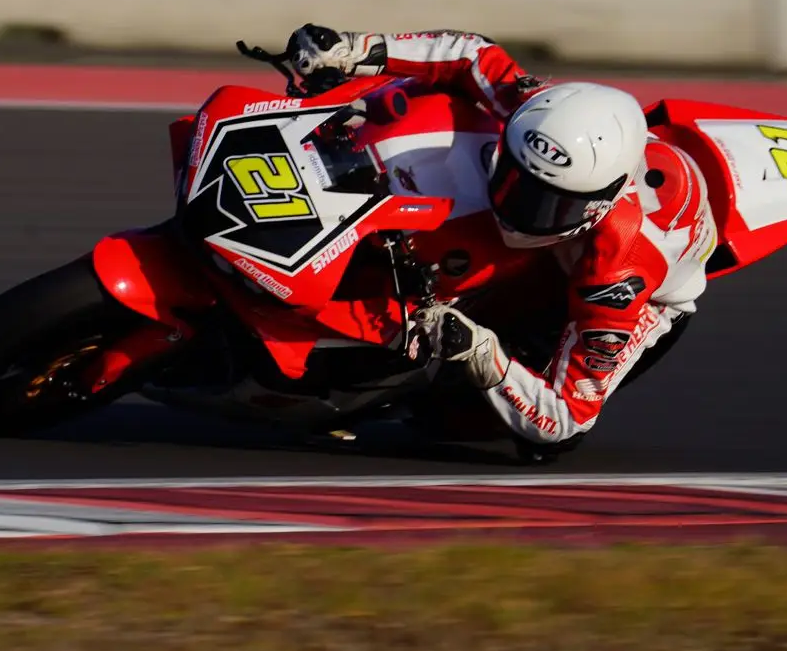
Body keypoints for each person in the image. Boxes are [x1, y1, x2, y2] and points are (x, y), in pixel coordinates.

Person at [284, 24, 718, 459]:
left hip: (634, 294)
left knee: (457, 419)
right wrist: (355, 50)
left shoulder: (619, 274)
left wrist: (481, 352)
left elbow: (566, 419)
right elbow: (470, 54)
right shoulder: (539, 114)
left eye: (548, 204)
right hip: (559, 245)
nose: (517, 208)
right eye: (514, 177)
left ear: (598, 206)